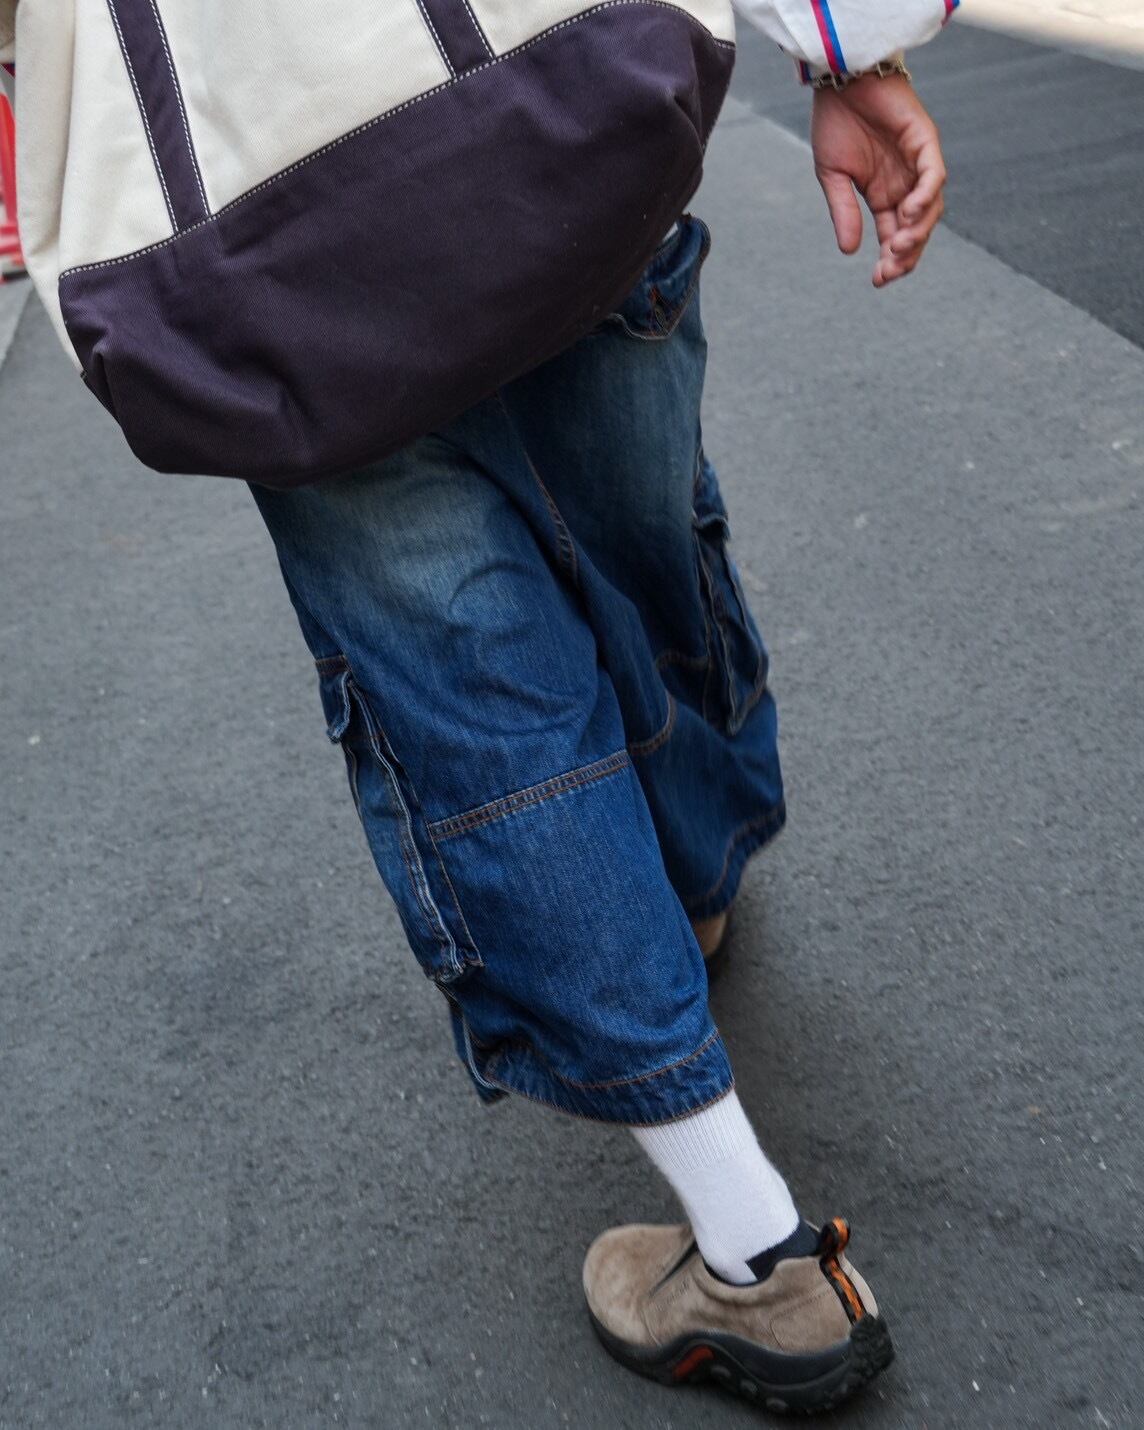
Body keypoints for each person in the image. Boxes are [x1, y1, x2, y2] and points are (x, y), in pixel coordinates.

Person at [2, 0, 951, 1415]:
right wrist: (848, 46)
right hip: (558, 108)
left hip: (281, 267)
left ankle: (755, 1251)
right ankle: (691, 896)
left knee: (485, 725)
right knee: (640, 552)